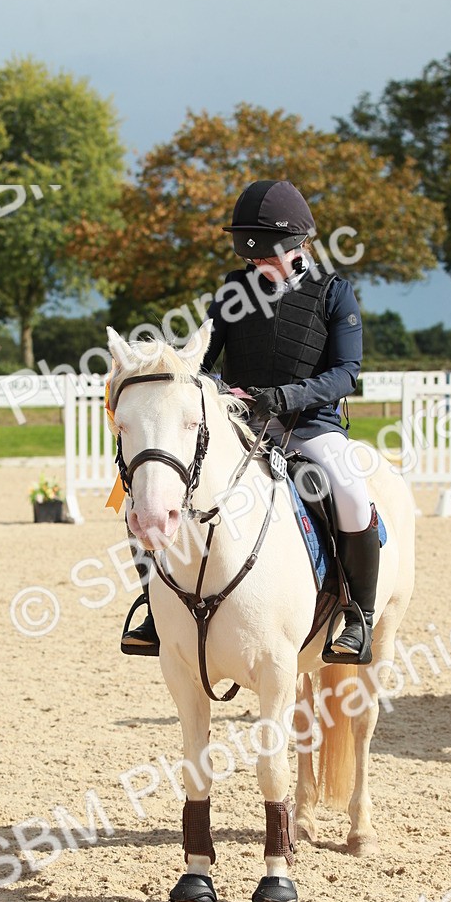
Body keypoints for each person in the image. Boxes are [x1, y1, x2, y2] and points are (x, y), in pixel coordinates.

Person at [121, 179, 379, 663]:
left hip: (310, 426)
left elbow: (347, 373)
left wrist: (282, 397)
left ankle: (357, 618)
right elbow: (202, 361)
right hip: (240, 427)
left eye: (269, 257)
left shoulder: (334, 293)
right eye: (254, 257)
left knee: (350, 493)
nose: (260, 265)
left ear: (300, 246)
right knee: (149, 495)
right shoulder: (234, 291)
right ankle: (155, 609)